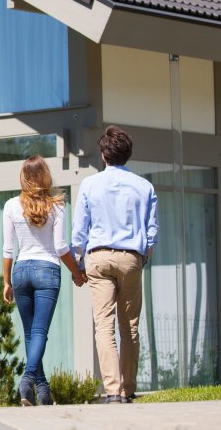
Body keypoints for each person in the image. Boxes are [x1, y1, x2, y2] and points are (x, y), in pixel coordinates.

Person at [71, 125, 158, 404]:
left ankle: (112, 391)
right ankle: (128, 389)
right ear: (127, 155)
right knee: (129, 326)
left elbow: (78, 230)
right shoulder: (145, 187)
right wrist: (143, 256)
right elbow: (152, 231)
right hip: (131, 257)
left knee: (104, 326)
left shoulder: (90, 184)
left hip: (98, 257)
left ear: (104, 155)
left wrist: (78, 262)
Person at [2, 155, 85, 406]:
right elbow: (60, 246)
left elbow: (8, 249)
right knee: (39, 332)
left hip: (21, 272)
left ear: (23, 178)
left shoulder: (10, 206)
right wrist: (76, 271)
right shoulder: (56, 206)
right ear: (45, 176)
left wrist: (6, 282)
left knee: (30, 333)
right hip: (47, 270)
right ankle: (28, 379)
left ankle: (42, 390)